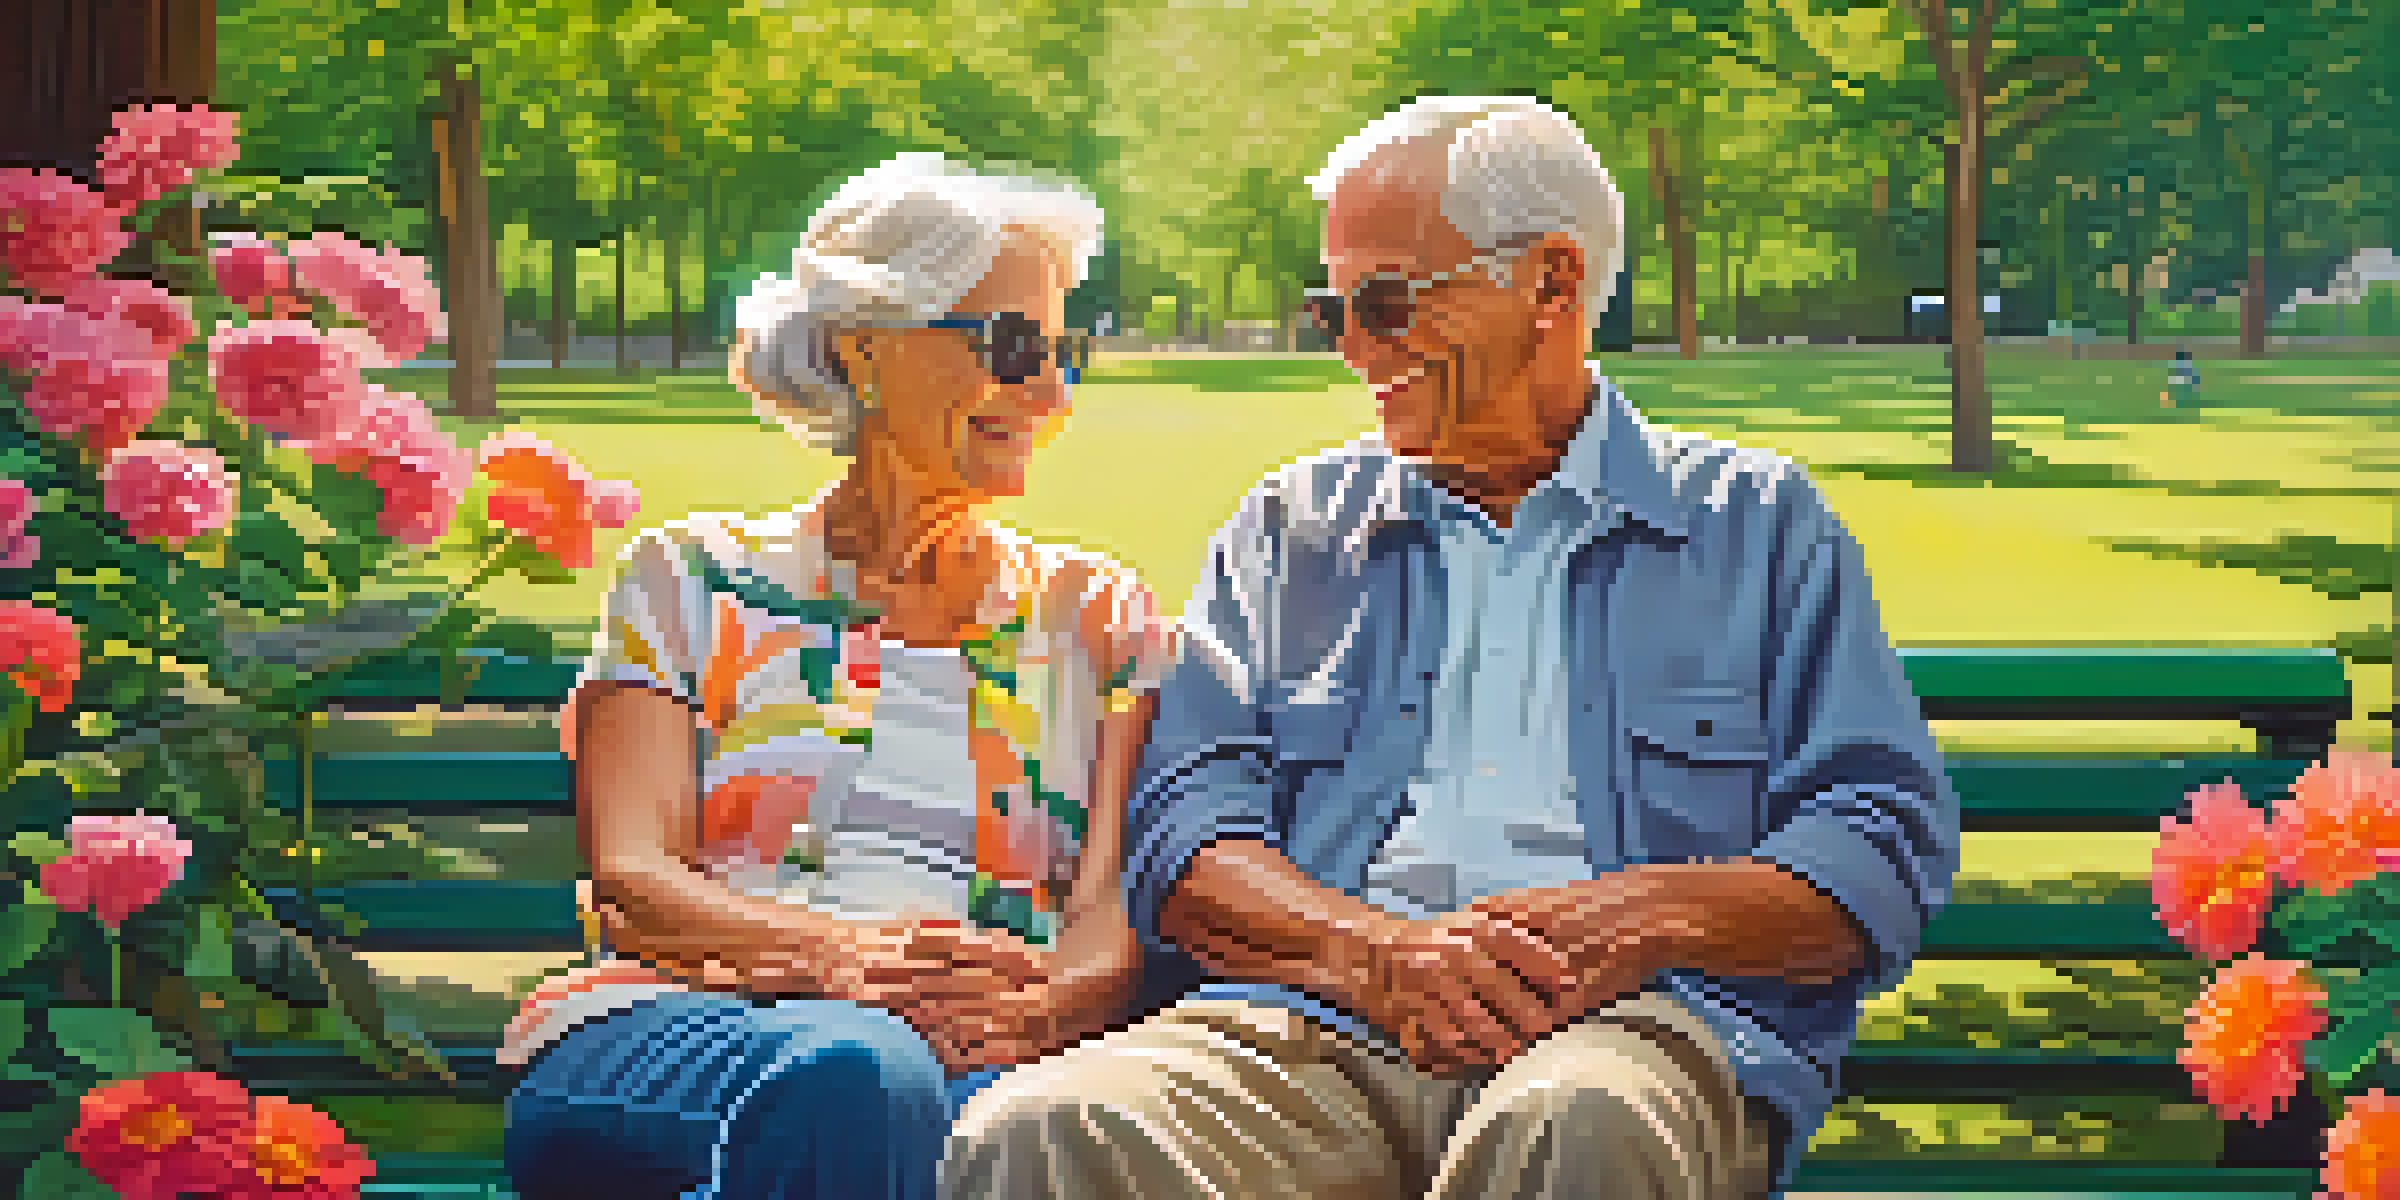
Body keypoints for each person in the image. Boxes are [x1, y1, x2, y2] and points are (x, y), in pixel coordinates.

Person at [940, 97, 1961, 1200]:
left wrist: (1643, 918)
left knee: (1579, 1124)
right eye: (1331, 311)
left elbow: (1879, 839)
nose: (1354, 349)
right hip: (1317, 1032)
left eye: (1385, 302)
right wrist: (1373, 957)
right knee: (1043, 1129)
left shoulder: (1757, 526)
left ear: (1552, 285)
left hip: (1634, 1035)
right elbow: (1190, 833)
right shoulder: (1288, 532)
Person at [499, 153, 1171, 1200]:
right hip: (679, 1031)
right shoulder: (691, 579)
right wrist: (847, 961)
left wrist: (1038, 1012)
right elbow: (635, 882)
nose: (1049, 391)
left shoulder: (1097, 618)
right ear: (866, 350)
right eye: (1013, 345)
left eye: (1063, 350)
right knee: (860, 1073)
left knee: (1013, 1126)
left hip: (981, 1056)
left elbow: (1105, 917)